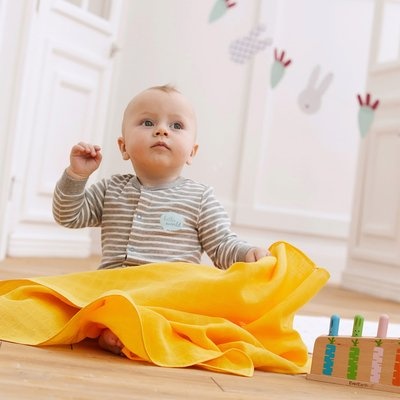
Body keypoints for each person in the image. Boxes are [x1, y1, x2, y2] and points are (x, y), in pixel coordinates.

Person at [53, 84, 270, 355]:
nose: (162, 130)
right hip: (115, 290)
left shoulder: (199, 198)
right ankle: (118, 327)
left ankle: (133, 330)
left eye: (176, 125)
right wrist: (76, 176)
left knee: (184, 315)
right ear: (123, 147)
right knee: (73, 302)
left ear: (191, 152)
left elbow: (222, 244)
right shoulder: (111, 189)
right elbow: (69, 215)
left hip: (169, 294)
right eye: (148, 122)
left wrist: (247, 254)